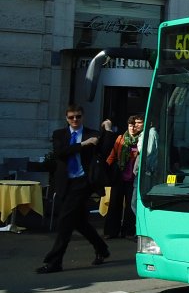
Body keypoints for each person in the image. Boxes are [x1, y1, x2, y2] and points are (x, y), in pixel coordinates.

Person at [36, 105, 110, 273]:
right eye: (71, 117)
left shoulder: (92, 134)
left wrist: (108, 129)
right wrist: (83, 144)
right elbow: (61, 153)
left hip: (82, 182)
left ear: (83, 116)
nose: (75, 120)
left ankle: (54, 262)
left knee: (65, 222)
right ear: (66, 118)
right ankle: (102, 248)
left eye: (78, 116)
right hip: (65, 183)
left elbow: (105, 150)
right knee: (79, 222)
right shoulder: (60, 134)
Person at [104, 114, 143, 239]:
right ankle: (112, 231)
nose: (132, 128)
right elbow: (113, 155)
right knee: (115, 204)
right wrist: (105, 167)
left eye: (134, 126)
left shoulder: (141, 140)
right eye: (130, 125)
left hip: (133, 177)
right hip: (119, 177)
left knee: (130, 207)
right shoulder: (121, 138)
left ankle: (128, 231)